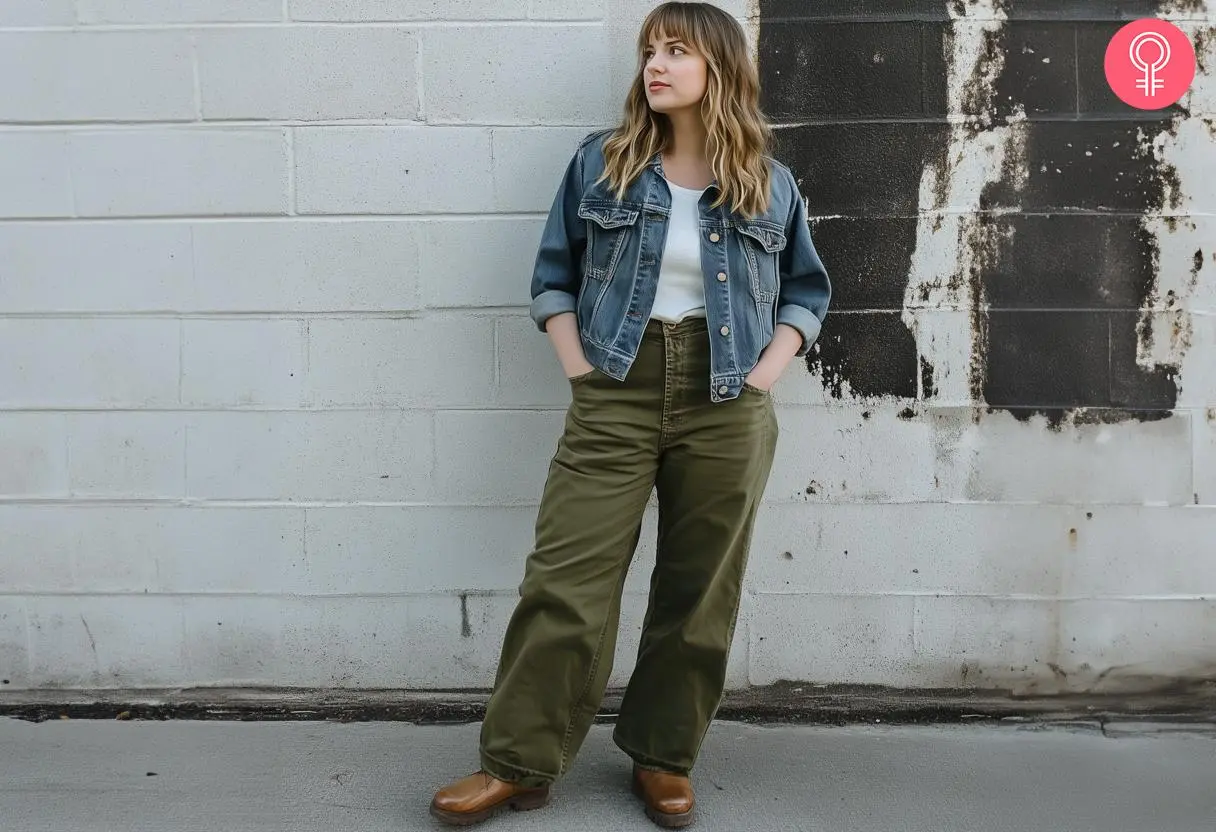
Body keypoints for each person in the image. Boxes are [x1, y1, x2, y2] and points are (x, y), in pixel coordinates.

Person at [430, 2, 830, 827]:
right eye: (650, 50)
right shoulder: (602, 166)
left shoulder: (768, 182)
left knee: (697, 594)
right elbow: (553, 275)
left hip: (727, 402)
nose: (656, 64)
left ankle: (662, 758)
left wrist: (763, 376)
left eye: (676, 51)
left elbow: (806, 291)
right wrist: (580, 369)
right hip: (616, 388)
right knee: (565, 586)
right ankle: (518, 763)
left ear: (717, 67)